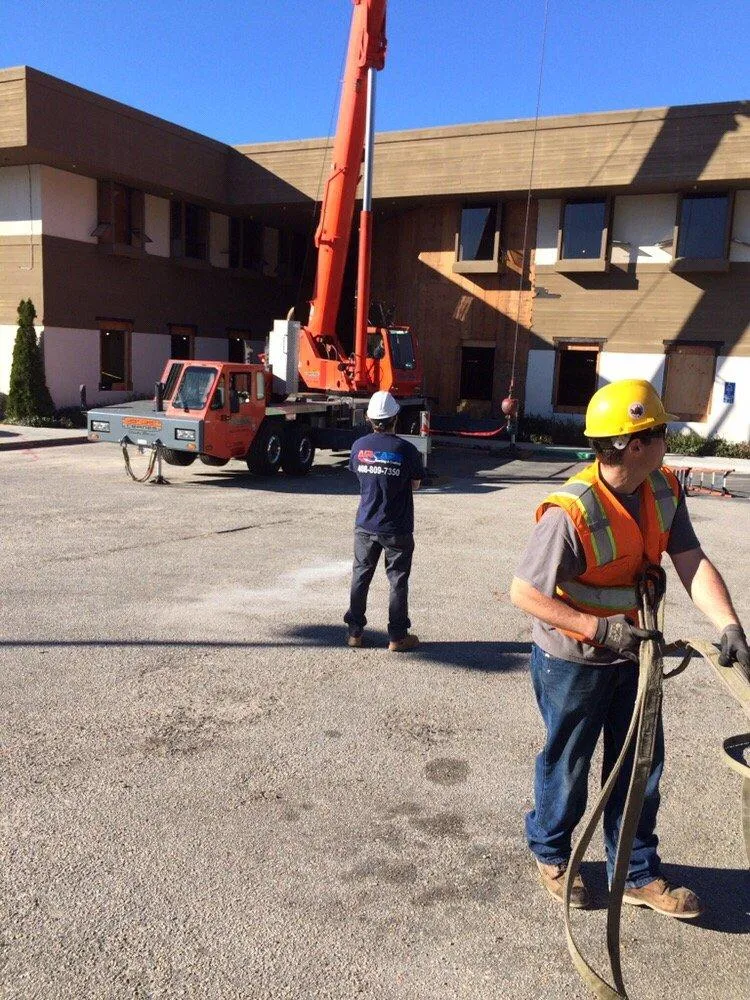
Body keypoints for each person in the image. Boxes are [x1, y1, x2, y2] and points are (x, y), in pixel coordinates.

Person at [509, 378, 750, 918]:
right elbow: (525, 592)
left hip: (636, 653)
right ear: (635, 444)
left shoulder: (662, 487)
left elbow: (690, 559)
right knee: (567, 762)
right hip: (573, 660)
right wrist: (598, 631)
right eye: (662, 433)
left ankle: (636, 871)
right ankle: (551, 856)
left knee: (642, 763)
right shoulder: (569, 512)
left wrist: (729, 623)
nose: (669, 442)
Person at [344, 390, 424, 652]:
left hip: (365, 524)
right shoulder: (407, 450)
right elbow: (415, 483)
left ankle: (355, 632)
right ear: (395, 418)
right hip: (397, 527)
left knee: (360, 575)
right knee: (398, 580)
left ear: (369, 418)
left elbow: (357, 475)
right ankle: (397, 637)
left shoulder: (358, 447)